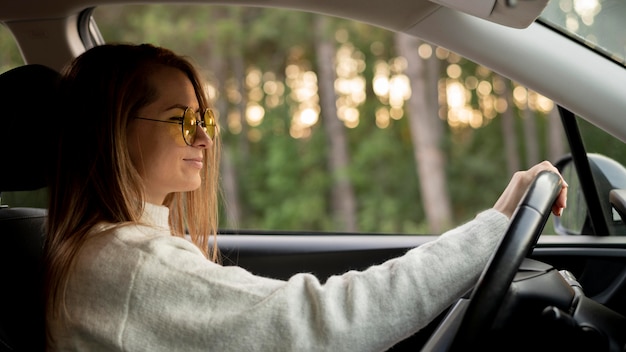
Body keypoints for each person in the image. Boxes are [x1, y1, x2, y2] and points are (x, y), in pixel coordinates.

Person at [44, 43, 568, 352]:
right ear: (110, 129)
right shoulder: (128, 261)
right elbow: (322, 323)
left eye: (203, 119)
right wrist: (494, 225)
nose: (204, 138)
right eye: (181, 120)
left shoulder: (118, 249)